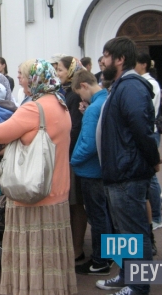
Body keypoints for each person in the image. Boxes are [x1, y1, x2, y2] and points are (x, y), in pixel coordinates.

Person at [0, 59, 77, 295]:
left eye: (23, 74)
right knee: (51, 252)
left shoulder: (33, 108)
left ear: (35, 78)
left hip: (31, 192)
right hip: (57, 190)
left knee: (30, 253)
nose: (19, 78)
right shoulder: (61, 104)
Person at [96, 37, 160, 295]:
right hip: (117, 173)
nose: (103, 61)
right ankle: (125, 275)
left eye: (106, 56)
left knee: (134, 232)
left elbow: (142, 129)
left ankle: (138, 286)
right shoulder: (120, 85)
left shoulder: (132, 86)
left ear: (120, 59)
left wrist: (153, 160)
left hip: (127, 173)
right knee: (122, 231)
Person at [70, 70, 112, 276]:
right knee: (107, 216)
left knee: (98, 218)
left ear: (84, 86)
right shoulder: (106, 100)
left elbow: (88, 144)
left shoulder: (95, 108)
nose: (81, 97)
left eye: (80, 92)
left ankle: (100, 261)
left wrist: (72, 160)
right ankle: (111, 258)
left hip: (91, 171)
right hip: (104, 169)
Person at [57, 56, 88, 261]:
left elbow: (75, 128)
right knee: (74, 203)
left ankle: (79, 250)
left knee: (79, 205)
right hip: (73, 155)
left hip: (76, 157)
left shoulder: (76, 95)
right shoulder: (68, 92)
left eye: (60, 69)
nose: (57, 73)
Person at [136, 52, 162, 233]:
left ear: (144, 64)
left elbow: (143, 113)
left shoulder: (149, 84)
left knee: (150, 178)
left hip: (148, 134)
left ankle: (156, 216)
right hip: (147, 133)